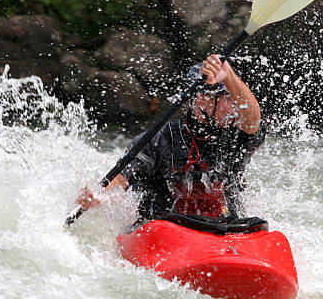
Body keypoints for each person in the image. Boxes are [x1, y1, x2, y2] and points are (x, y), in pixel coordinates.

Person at [76, 53, 265, 221]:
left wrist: (228, 76)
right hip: (166, 231)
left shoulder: (234, 137)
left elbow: (253, 116)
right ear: (201, 100)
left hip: (225, 231)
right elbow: (122, 179)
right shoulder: (158, 139)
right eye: (228, 100)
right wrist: (99, 195)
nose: (234, 108)